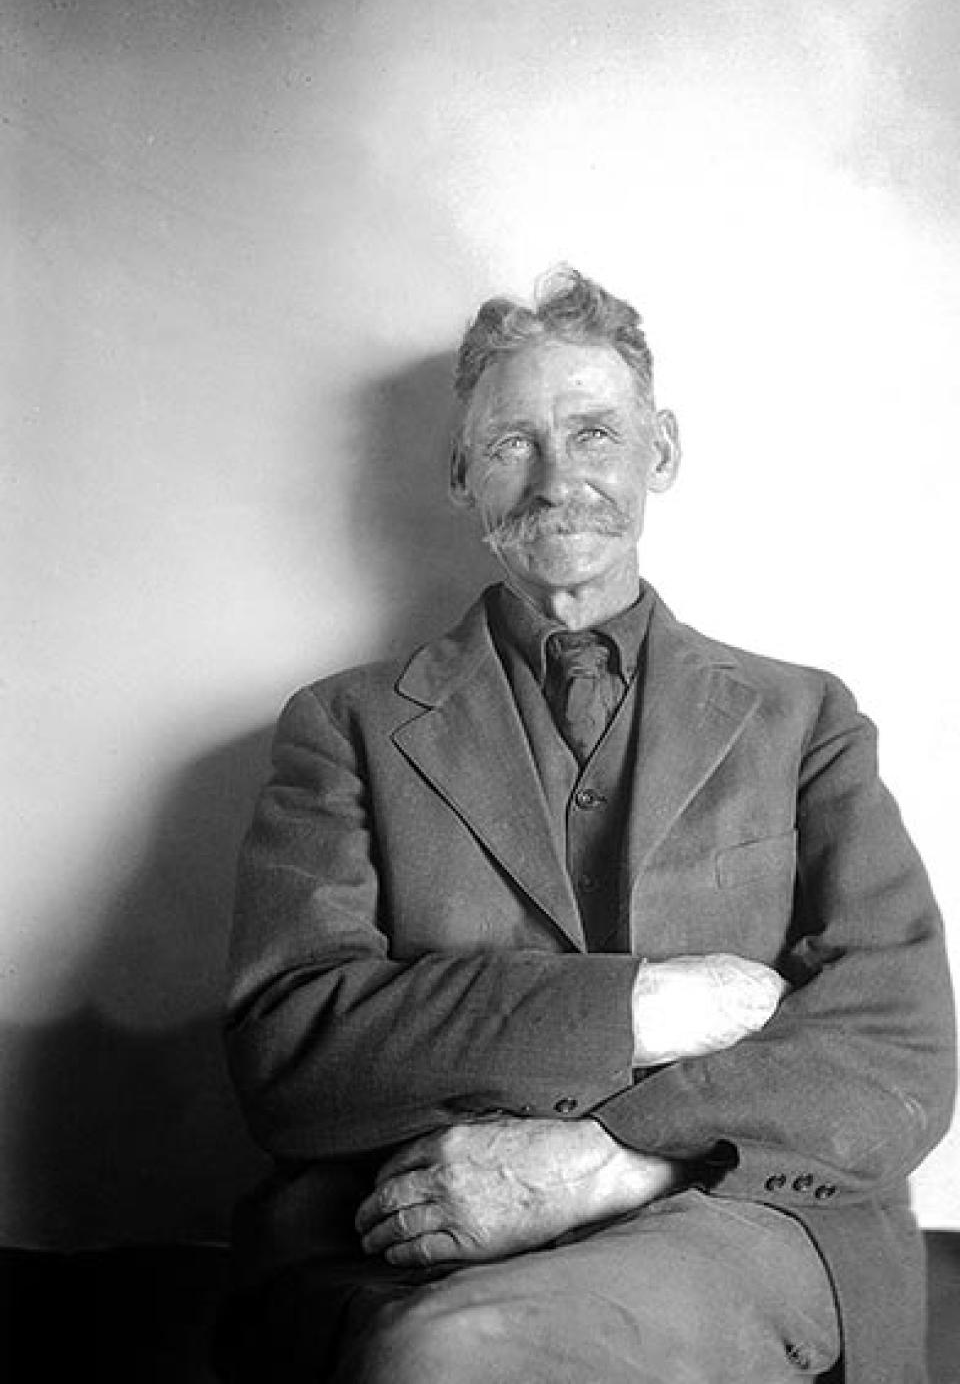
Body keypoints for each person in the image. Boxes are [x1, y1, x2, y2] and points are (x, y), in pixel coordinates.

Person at [217, 267, 955, 1384]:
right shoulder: (341, 726)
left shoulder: (806, 719)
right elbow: (294, 1055)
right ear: (460, 472)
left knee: (448, 1356)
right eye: (513, 442)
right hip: (409, 1229)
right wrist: (641, 1005)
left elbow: (900, 1051)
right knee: (421, 1341)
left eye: (595, 432)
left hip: (740, 1217)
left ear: (661, 450)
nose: (559, 479)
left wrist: (610, 1159)